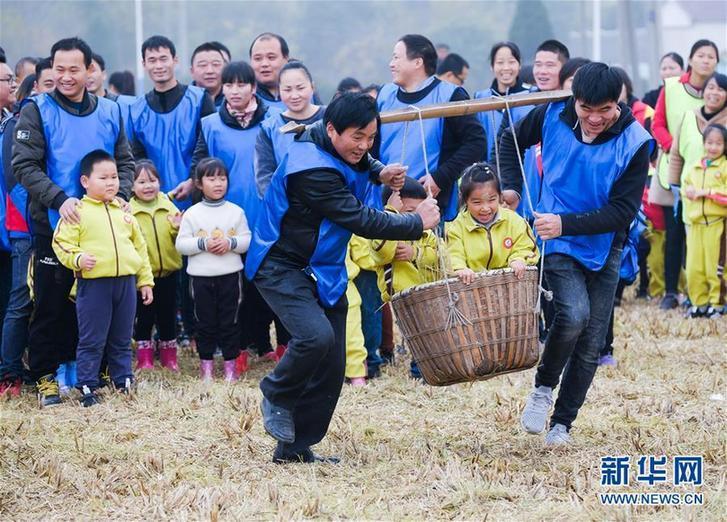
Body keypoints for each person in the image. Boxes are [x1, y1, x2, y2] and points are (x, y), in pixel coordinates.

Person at [245, 93, 440, 464]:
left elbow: (358, 157)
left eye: (371, 137)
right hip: (281, 264)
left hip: (324, 267)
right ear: (332, 129)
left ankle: (296, 447)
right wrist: (416, 223)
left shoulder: (329, 136)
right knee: (314, 337)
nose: (364, 145)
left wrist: (378, 169)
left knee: (333, 365)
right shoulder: (310, 171)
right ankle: (276, 392)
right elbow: (361, 219)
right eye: (357, 137)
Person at [499, 63, 653, 445]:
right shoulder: (552, 113)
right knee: (573, 315)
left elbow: (622, 211)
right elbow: (509, 140)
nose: (596, 118)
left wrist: (566, 223)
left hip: (604, 243)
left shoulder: (635, 141)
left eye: (606, 109)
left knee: (591, 344)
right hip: (557, 241)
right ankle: (542, 389)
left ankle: (562, 424)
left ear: (618, 102)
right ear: (575, 100)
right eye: (588, 109)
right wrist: (512, 187)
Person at [12, 37, 135, 408]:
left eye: (74, 69)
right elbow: (24, 166)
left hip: (102, 231)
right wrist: (60, 198)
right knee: (50, 303)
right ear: (51, 70)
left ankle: (91, 373)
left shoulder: (110, 112)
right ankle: (45, 375)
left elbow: (125, 162)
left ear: (90, 71)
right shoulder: (37, 110)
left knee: (95, 307)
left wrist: (122, 197)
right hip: (54, 225)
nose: (67, 77)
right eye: (59, 69)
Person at [52, 150, 153, 406]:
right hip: (94, 284)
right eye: (103, 177)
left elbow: (139, 246)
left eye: (115, 177)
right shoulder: (78, 210)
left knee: (121, 337)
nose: (111, 183)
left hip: (126, 283)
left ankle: (124, 381)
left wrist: (145, 280)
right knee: (92, 339)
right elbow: (61, 243)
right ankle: (87, 386)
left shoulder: (123, 210)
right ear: (86, 181)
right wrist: (77, 259)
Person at [191, 60, 274, 366]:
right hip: (224, 221)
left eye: (242, 84)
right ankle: (236, 349)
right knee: (233, 289)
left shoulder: (273, 119)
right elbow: (199, 164)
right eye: (229, 85)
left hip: (266, 215)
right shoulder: (210, 124)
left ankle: (265, 343)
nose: (235, 91)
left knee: (265, 283)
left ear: (254, 87)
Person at [374, 34, 485, 222]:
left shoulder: (450, 95)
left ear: (418, 62)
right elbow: (371, 146)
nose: (391, 64)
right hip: (385, 207)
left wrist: (440, 178)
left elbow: (477, 143)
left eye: (396, 57)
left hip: (431, 206)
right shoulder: (384, 94)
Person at [650, 39, 719, 310]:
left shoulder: (717, 91)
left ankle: (701, 291)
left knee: (703, 234)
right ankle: (670, 291)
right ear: (690, 59)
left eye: (710, 57)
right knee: (674, 232)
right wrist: (673, 148)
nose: (705, 60)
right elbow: (658, 124)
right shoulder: (672, 87)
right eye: (700, 55)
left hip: (710, 177)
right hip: (674, 171)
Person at [176, 158, 251, 382]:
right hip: (200, 278)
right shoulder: (192, 214)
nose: (218, 183)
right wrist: (203, 244)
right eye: (211, 178)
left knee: (230, 321)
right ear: (199, 184)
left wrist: (230, 243)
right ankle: (206, 367)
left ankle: (230, 367)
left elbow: (246, 240)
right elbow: (181, 245)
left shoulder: (236, 212)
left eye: (222, 178)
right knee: (205, 322)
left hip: (230, 275)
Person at [129, 35, 216, 209]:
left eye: (163, 59)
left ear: (175, 60)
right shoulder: (136, 110)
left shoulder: (199, 99)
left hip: (197, 196)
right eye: (152, 60)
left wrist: (194, 181)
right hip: (153, 203)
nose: (159, 66)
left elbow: (209, 148)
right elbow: (137, 157)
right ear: (144, 64)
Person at [370, 177, 439, 379]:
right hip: (401, 295)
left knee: (430, 333)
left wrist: (414, 253)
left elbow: (439, 257)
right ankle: (419, 372)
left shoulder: (427, 235)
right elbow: (382, 253)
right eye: (410, 213)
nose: (418, 218)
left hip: (428, 292)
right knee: (416, 334)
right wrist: (390, 217)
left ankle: (427, 369)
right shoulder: (383, 234)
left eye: (420, 211)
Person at [449, 162, 539, 284]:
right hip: (473, 288)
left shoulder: (514, 220)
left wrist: (518, 260)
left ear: (500, 196)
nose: (485, 208)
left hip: (510, 287)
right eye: (477, 202)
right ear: (465, 200)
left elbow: (527, 246)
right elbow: (453, 253)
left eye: (491, 200)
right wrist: (460, 268)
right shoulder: (456, 227)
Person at [130, 160, 183, 370]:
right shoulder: (129, 210)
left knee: (168, 315)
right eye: (141, 182)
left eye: (152, 180)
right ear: (132, 186)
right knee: (144, 316)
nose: (148, 186)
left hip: (169, 272)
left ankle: (169, 356)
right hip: (144, 277)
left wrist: (178, 228)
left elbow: (176, 237)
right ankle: (144, 357)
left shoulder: (167, 205)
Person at [255, 61, 324, 197]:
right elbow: (264, 177)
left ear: (312, 87)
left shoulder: (330, 118)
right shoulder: (269, 128)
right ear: (279, 91)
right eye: (287, 90)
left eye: (300, 88)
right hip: (289, 209)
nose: (294, 95)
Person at [681, 124, 727, 318]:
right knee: (693, 268)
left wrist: (708, 193)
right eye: (709, 142)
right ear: (703, 144)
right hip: (696, 224)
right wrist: (689, 191)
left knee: (714, 267)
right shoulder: (695, 167)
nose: (713, 147)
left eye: (718, 143)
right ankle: (699, 303)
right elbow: (686, 188)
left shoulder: (724, 166)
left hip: (716, 224)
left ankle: (716, 304)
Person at [474, 42, 533, 163]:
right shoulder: (480, 98)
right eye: (500, 62)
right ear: (492, 66)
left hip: (527, 168)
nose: (506, 68)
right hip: (492, 171)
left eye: (511, 62)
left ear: (519, 64)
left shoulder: (533, 95)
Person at [668, 73, 727, 188]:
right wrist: (674, 184)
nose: (714, 92)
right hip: (689, 191)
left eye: (720, 89)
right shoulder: (687, 117)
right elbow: (676, 154)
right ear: (703, 91)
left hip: (720, 193)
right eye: (710, 88)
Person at [343, 243, 367, 387]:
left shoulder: (345, 220)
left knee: (352, 334)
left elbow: (362, 253)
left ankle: (356, 373)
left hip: (344, 284)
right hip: (310, 284)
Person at [249, 32, 289, 110]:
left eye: (271, 57)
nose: (264, 64)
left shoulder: (304, 93)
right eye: (258, 59)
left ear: (286, 59)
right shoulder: (242, 97)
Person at [190, 42, 228, 108]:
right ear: (192, 71)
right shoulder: (183, 100)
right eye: (203, 65)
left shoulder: (233, 100)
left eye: (216, 64)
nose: (210, 71)